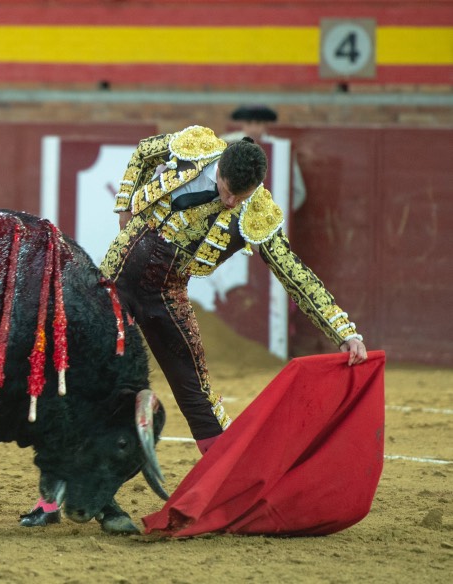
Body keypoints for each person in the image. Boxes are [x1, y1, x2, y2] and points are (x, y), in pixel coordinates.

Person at [19, 125, 367, 528]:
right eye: (226, 189)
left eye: (242, 195)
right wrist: (124, 206)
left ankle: (235, 499)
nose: (231, 200)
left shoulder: (257, 213)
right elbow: (145, 151)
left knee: (197, 393)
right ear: (218, 168)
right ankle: (52, 500)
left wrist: (344, 329)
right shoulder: (197, 146)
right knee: (86, 384)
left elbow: (294, 274)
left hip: (167, 294)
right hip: (114, 281)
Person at [221, 105, 307, 211]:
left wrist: (281, 212)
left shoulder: (280, 149)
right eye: (249, 123)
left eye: (257, 123)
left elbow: (298, 191)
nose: (253, 129)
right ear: (243, 124)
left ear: (265, 125)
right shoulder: (225, 142)